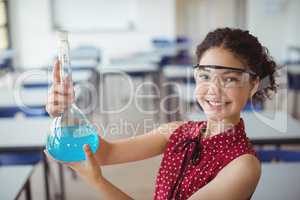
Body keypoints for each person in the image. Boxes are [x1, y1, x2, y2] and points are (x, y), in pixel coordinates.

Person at [45, 27, 278, 200]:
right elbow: (105, 152)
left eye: (230, 79)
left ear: (254, 84)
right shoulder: (178, 131)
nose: (213, 91)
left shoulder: (243, 166)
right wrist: (65, 114)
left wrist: (97, 181)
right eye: (205, 76)